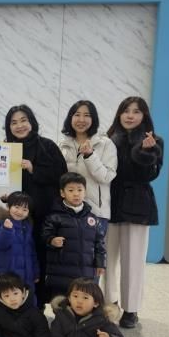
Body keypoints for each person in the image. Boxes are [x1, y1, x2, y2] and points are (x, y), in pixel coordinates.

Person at [105, 96, 163, 329]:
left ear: (144, 116)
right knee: (105, 259)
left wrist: (146, 153)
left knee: (133, 261)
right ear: (119, 114)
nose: (130, 115)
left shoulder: (154, 141)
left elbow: (151, 175)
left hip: (138, 205)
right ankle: (109, 304)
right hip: (109, 204)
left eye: (136, 111)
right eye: (126, 111)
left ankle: (131, 309)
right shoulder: (108, 140)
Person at [4, 105, 67, 307]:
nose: (19, 126)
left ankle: (38, 304)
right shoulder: (5, 149)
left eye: (24, 120)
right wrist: (5, 196)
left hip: (43, 215)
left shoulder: (47, 146)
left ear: (32, 122)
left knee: (39, 258)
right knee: (17, 257)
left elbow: (61, 175)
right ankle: (14, 302)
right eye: (14, 122)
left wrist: (34, 169)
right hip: (16, 217)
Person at [42, 172, 106, 298]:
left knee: (82, 300)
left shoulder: (93, 219)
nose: (76, 194)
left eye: (79, 190)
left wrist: (100, 263)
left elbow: (100, 243)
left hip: (85, 273)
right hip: (61, 273)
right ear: (62, 193)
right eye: (71, 190)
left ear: (85, 192)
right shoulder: (54, 217)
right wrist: (51, 240)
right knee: (61, 302)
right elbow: (44, 236)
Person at [58, 100, 117, 236]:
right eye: (77, 115)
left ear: (93, 119)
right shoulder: (62, 145)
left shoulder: (105, 144)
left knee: (93, 250)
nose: (81, 120)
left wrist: (90, 156)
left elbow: (106, 177)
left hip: (96, 212)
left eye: (87, 115)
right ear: (70, 118)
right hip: (68, 211)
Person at [0, 192, 39, 298]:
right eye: (16, 207)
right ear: (8, 207)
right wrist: (6, 230)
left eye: (25, 210)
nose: (20, 212)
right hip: (8, 274)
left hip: (27, 276)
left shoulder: (27, 227)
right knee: (8, 299)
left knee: (27, 299)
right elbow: (0, 244)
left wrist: (35, 272)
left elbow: (32, 252)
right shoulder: (1, 224)